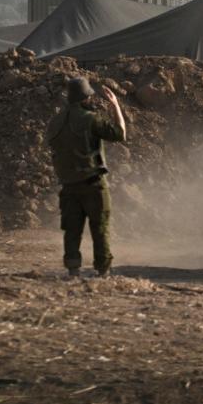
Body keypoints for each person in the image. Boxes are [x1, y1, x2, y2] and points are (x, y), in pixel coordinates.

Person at [45, 77, 126, 278]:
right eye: (89, 96)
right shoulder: (90, 119)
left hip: (68, 186)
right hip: (93, 183)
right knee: (100, 227)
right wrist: (115, 105)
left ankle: (73, 269)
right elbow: (120, 134)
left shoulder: (55, 122)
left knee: (72, 230)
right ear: (84, 98)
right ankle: (103, 269)